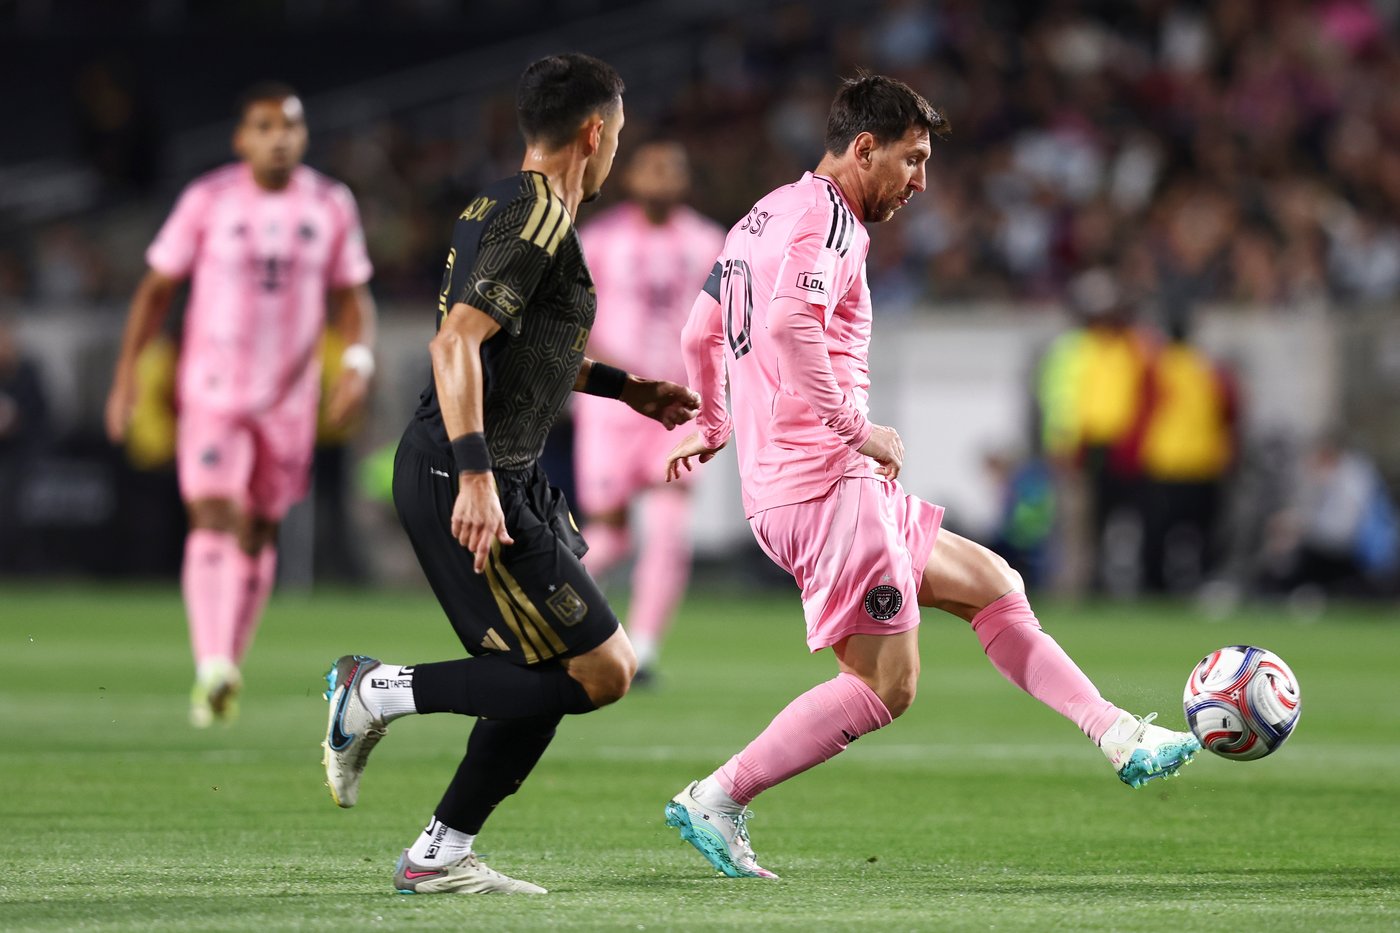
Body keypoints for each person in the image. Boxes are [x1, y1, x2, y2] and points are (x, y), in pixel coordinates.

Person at [661, 73, 1201, 880]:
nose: (921, 181)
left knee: (993, 582)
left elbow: (701, 328)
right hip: (826, 484)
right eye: (912, 159)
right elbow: (790, 322)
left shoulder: (761, 216)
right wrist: (858, 429)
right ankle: (719, 794)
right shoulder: (828, 219)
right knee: (888, 684)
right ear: (864, 148)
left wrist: (712, 421)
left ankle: (1119, 732)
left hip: (803, 484)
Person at [319, 53, 699, 896]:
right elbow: (454, 342)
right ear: (595, 133)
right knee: (600, 669)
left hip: (494, 470)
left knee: (551, 674)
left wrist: (626, 388)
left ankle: (438, 853)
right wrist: (476, 477)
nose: (615, 151)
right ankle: (372, 691)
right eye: (617, 135)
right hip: (469, 472)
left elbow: (517, 346)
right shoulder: (539, 219)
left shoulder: (500, 203)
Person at [104, 82, 377, 726]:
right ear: (241, 139)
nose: (278, 138)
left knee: (259, 528)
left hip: (288, 399)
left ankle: (228, 660)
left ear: (303, 136)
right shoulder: (208, 199)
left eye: (290, 126)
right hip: (212, 391)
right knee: (213, 511)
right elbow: (156, 290)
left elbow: (352, 297)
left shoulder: (330, 203)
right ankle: (212, 665)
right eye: (264, 127)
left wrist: (357, 364)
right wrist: (126, 376)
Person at [573, 139, 726, 682]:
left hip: (679, 404)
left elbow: (728, 318)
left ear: (686, 180)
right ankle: (559, 625)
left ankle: (644, 647)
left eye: (672, 168)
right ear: (630, 176)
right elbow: (575, 318)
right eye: (651, 167)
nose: (661, 176)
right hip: (611, 403)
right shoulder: (598, 239)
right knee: (608, 534)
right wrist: (618, 377)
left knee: (667, 522)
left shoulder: (710, 242)